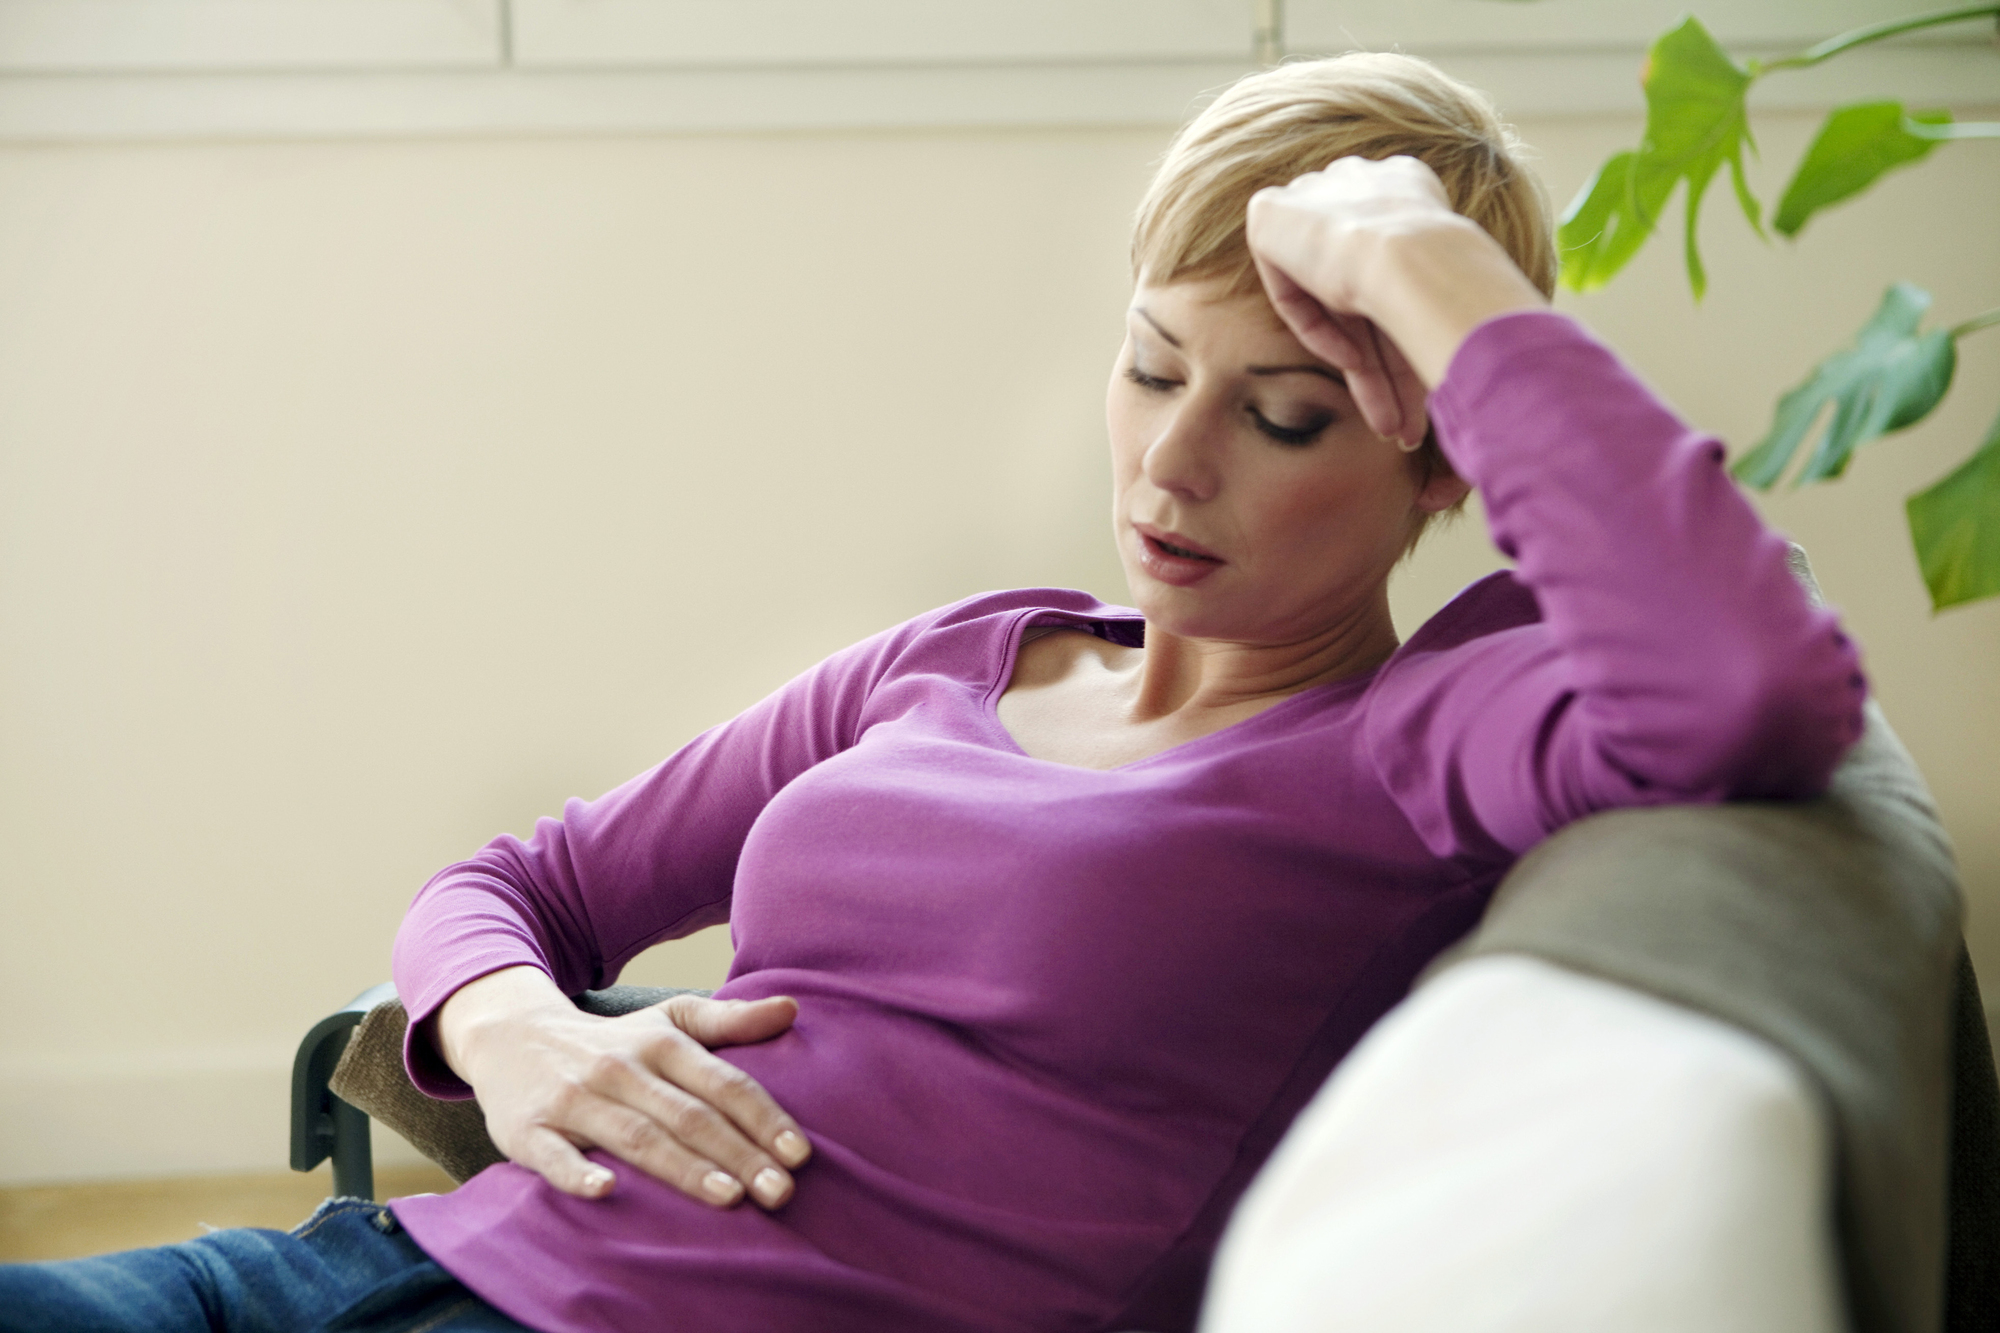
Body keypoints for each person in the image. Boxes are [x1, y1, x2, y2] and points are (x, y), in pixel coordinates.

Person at [0, 51, 1865, 1333]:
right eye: (1152, 371)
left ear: (1443, 463)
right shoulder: (968, 656)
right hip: (380, 1271)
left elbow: (1741, 680)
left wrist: (1427, 265)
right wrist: (510, 1030)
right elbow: (528, 881)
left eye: (1285, 413)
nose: (1170, 464)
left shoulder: (1420, 742)